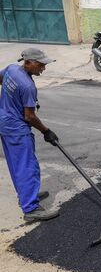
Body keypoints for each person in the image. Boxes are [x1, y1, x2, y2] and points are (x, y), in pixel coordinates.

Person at [0, 48, 60, 222]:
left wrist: (7, 103)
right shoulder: (27, 86)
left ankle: (28, 195)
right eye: (40, 64)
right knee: (27, 166)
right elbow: (30, 116)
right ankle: (31, 209)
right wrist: (46, 131)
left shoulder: (12, 69)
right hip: (16, 129)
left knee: (17, 164)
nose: (43, 68)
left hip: (4, 122)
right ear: (28, 62)